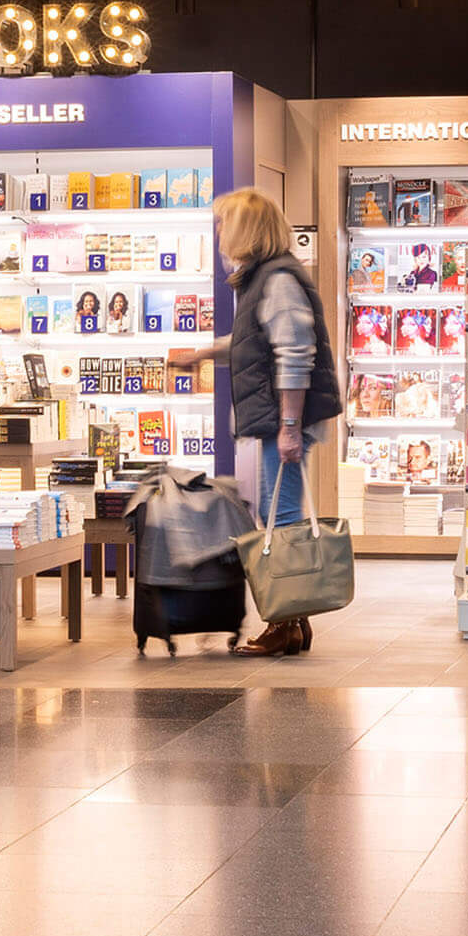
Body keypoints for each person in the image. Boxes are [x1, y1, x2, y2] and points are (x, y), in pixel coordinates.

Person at [170, 188, 343, 656]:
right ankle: (293, 621)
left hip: (283, 418)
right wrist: (206, 352)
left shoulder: (278, 279)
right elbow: (256, 344)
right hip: (275, 417)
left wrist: (289, 425)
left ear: (246, 229)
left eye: (225, 223)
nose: (220, 232)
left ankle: (283, 624)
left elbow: (295, 355)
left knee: (281, 520)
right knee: (275, 514)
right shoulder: (263, 277)